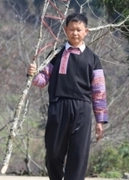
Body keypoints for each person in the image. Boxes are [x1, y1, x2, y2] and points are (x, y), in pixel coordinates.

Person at [28, 13, 108, 180]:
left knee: (79, 154)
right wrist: (33, 74)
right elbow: (43, 80)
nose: (75, 33)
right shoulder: (56, 54)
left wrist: (100, 120)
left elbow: (99, 91)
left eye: (79, 30)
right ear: (65, 30)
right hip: (58, 106)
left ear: (86, 31)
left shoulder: (93, 59)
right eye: (71, 29)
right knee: (53, 151)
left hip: (82, 109)